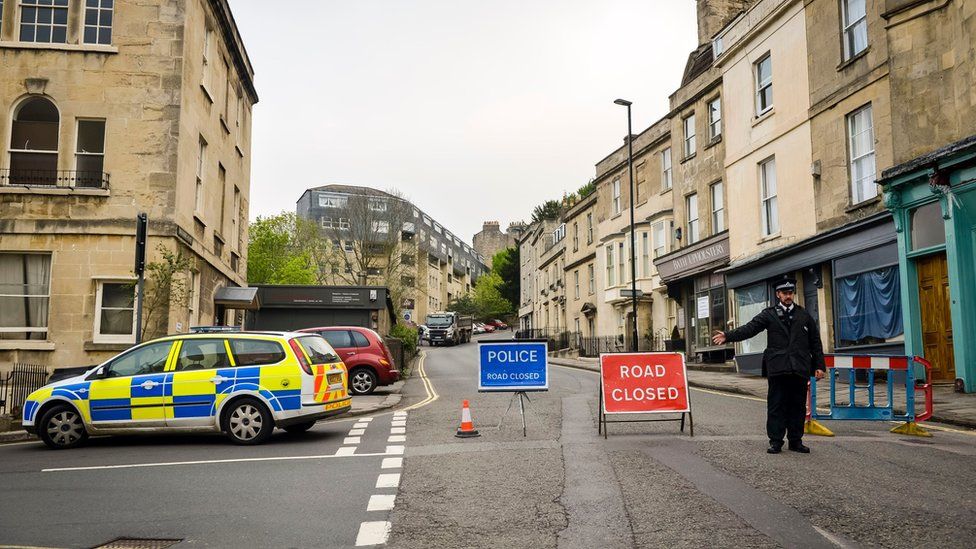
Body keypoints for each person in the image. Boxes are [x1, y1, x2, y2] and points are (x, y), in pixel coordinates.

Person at [711, 276, 826, 454]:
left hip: (799, 367)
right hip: (778, 367)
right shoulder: (769, 314)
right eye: (785, 293)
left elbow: (815, 342)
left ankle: (796, 441)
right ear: (778, 294)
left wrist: (820, 366)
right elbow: (750, 328)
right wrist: (728, 335)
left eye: (791, 293)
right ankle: (776, 441)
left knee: (797, 406)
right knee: (776, 405)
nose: (788, 296)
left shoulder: (804, 315)